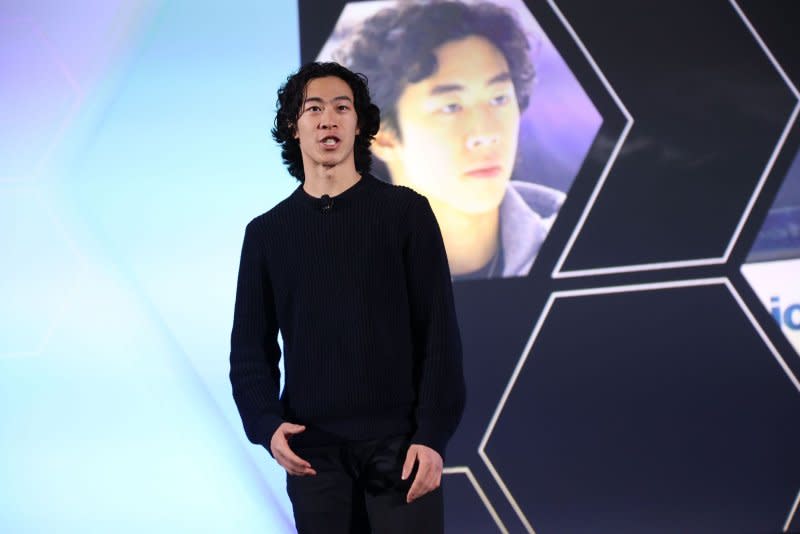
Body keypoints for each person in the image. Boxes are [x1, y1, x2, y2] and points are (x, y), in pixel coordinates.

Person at [229, 61, 466, 533]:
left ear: (360, 124)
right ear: (293, 128)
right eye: (313, 108)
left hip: (401, 450)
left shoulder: (406, 214)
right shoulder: (267, 234)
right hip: (314, 456)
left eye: (342, 107)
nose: (328, 119)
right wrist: (266, 425)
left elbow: (439, 334)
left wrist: (433, 435)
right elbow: (249, 351)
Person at [336, 0, 565, 280]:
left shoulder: (577, 236)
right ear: (382, 136)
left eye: (499, 98)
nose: (485, 134)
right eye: (451, 107)